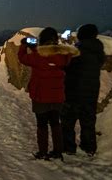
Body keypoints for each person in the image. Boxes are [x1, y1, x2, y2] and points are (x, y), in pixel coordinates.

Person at [18, 27, 79, 160]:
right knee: (55, 124)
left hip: (40, 97)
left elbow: (23, 58)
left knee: (42, 125)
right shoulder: (63, 56)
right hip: (57, 97)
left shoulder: (37, 56)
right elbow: (49, 56)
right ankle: (58, 152)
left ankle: (43, 152)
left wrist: (24, 45)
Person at [61, 24, 105, 156]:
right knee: (88, 120)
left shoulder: (76, 52)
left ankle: (69, 147)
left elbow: (66, 67)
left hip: (73, 91)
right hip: (91, 91)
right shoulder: (98, 52)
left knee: (68, 120)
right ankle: (89, 146)